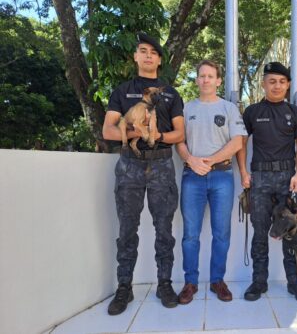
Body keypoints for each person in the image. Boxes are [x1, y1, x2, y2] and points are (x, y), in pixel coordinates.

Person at [102, 33, 184, 313]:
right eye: (143, 51)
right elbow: (109, 130)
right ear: (136, 56)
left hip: (161, 164)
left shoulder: (172, 93)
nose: (148, 55)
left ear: (160, 60)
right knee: (127, 230)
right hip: (130, 166)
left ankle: (164, 283)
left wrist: (158, 134)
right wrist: (138, 131)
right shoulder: (122, 91)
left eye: (153, 52)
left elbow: (179, 134)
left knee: (164, 230)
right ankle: (124, 287)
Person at [237, 62, 297, 303]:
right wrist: (243, 173)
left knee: (291, 231)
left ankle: (295, 282)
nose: (277, 86)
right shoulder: (252, 112)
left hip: (287, 178)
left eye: (281, 81)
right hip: (259, 180)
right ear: (264, 83)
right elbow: (242, 143)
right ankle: (259, 282)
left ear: (288, 85)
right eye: (272, 81)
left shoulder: (296, 114)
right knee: (259, 232)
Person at [175, 60, 247, 304]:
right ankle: (190, 283)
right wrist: (191, 160)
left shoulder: (229, 109)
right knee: (190, 235)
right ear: (196, 80)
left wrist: (209, 161)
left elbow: (237, 142)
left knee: (222, 233)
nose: (205, 80)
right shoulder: (186, 109)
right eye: (201, 76)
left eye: (210, 76)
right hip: (191, 177)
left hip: (222, 176)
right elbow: (179, 141)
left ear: (218, 81)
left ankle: (218, 280)